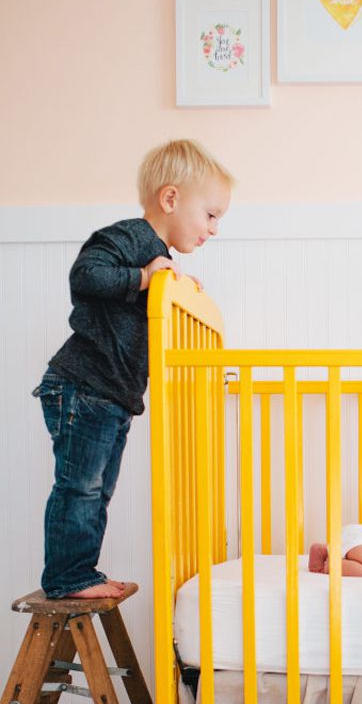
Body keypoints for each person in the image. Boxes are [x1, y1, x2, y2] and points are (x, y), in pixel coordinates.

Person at [32, 139, 232, 599]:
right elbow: (86, 274)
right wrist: (145, 279)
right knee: (80, 488)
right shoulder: (130, 237)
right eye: (211, 214)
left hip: (111, 396)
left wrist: (172, 287)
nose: (214, 229)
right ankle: (68, 578)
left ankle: (81, 570)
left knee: (96, 491)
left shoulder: (158, 256)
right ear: (170, 199)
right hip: (83, 387)